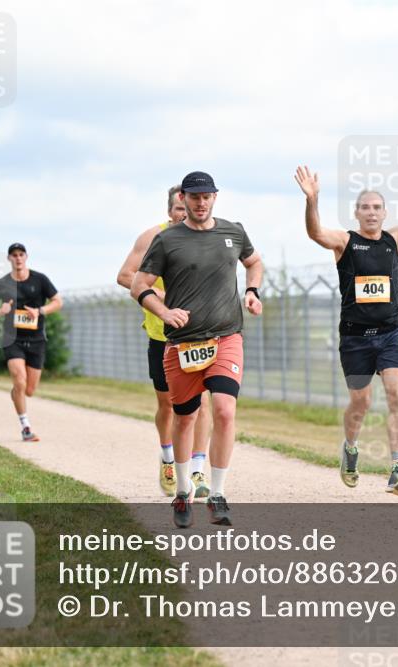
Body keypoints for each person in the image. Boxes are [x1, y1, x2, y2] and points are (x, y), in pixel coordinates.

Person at [294, 164, 398, 494]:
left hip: (391, 334)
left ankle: (397, 468)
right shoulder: (345, 241)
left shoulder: (396, 238)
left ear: (385, 212)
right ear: (357, 213)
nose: (371, 213)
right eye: (365, 207)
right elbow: (315, 232)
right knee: (360, 403)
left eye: (377, 207)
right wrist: (312, 200)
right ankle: (350, 448)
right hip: (355, 338)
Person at [131, 171, 263, 528]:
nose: (201, 203)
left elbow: (253, 262)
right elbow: (138, 284)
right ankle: (183, 490)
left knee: (223, 409)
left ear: (215, 197)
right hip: (183, 343)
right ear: (184, 200)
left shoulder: (233, 231)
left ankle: (217, 493)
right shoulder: (167, 239)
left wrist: (252, 291)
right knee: (185, 417)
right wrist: (163, 311)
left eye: (207, 196)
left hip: (226, 337)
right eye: (194, 197)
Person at [117, 185, 212, 498]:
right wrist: (160, 295)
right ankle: (168, 456)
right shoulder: (153, 238)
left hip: (199, 332)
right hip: (162, 333)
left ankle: (198, 470)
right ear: (171, 210)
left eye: (187, 208)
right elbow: (124, 275)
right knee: (168, 404)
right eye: (178, 208)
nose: (183, 214)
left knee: (202, 401)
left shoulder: (207, 234)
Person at [0, 243, 63, 442]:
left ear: (26, 257)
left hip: (37, 340)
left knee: (29, 390)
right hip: (12, 339)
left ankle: (17, 392)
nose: (18, 258)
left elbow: (58, 301)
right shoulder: (2, 284)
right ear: (9, 259)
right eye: (14, 255)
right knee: (19, 380)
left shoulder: (40, 279)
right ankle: (26, 427)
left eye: (21, 254)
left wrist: (40, 311)